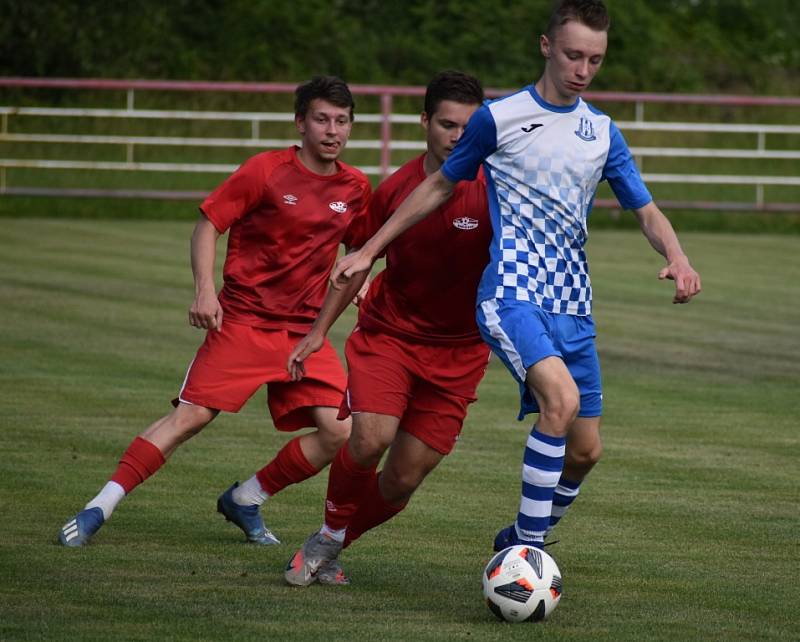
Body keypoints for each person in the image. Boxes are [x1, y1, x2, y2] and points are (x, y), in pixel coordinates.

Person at [328, 0, 702, 554]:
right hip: (513, 291)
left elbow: (645, 209)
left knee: (585, 451)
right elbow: (438, 187)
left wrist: (679, 255)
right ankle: (527, 550)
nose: (583, 69)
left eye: (595, 60)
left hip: (572, 301)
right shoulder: (498, 119)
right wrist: (370, 251)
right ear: (547, 46)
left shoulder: (600, 132)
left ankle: (523, 536)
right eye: (574, 54)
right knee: (559, 402)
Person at [58, 76, 372, 553]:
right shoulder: (264, 171)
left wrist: (362, 278)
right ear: (300, 123)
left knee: (341, 431)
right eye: (322, 119)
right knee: (190, 418)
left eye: (342, 121)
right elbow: (209, 223)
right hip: (242, 323)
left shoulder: (355, 187)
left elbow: (357, 250)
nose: (333, 130)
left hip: (305, 335)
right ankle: (100, 504)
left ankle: (246, 498)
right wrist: (205, 291)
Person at [282, 71, 490, 586]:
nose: (457, 136)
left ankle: (330, 544)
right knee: (371, 438)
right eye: (446, 124)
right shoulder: (397, 190)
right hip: (390, 338)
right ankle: (330, 533)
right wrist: (318, 330)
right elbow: (358, 264)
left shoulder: (501, 191)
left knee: (401, 481)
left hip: (461, 354)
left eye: (469, 126)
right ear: (424, 122)